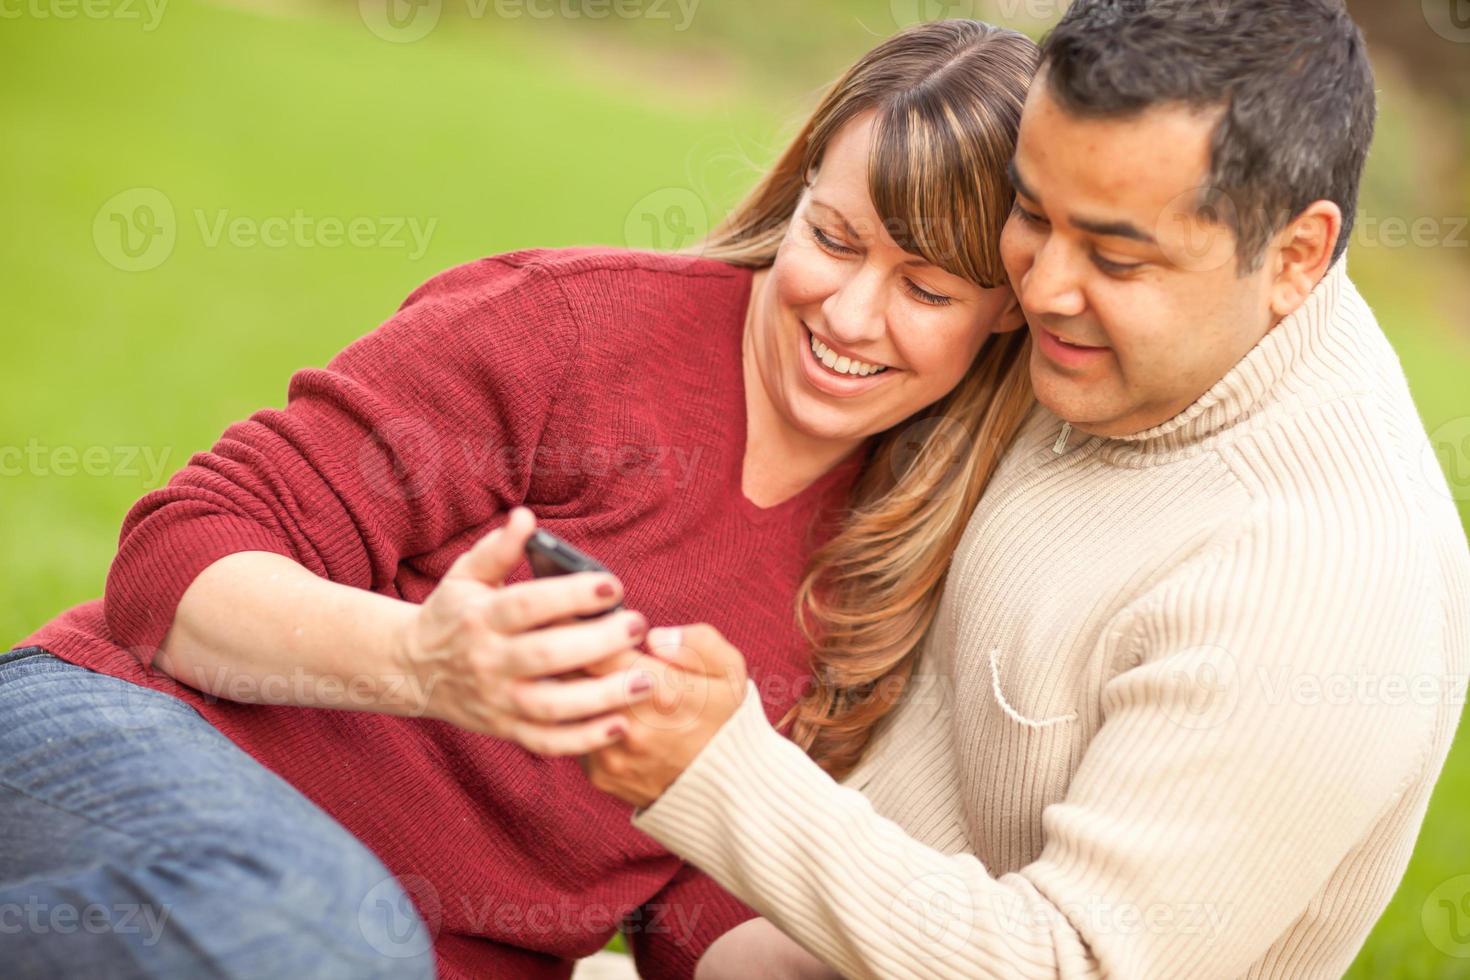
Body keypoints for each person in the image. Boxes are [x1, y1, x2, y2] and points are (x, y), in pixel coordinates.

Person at [2, 20, 1040, 980]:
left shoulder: (889, 566)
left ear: (1003, 312)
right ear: (799, 191)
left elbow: (690, 918)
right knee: (317, 923)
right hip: (131, 741)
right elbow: (174, 559)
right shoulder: (574, 330)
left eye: (927, 289)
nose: (851, 313)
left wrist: (924, 941)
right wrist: (422, 662)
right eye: (836, 239)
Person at [574, 2, 1470, 977]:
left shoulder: (1319, 586)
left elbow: (1070, 962)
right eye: (1032, 212)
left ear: (1296, 256)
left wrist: (719, 772)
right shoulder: (1151, 338)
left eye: (1116, 257)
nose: (1041, 288)